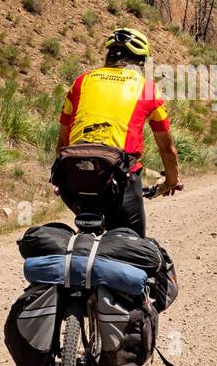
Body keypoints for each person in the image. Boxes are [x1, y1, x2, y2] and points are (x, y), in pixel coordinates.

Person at [56, 28, 180, 238]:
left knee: (85, 235)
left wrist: (62, 178)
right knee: (134, 248)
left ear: (108, 56)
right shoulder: (147, 89)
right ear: (141, 63)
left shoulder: (80, 82)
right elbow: (167, 149)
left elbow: (62, 141)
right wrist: (171, 181)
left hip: (72, 177)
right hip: (119, 180)